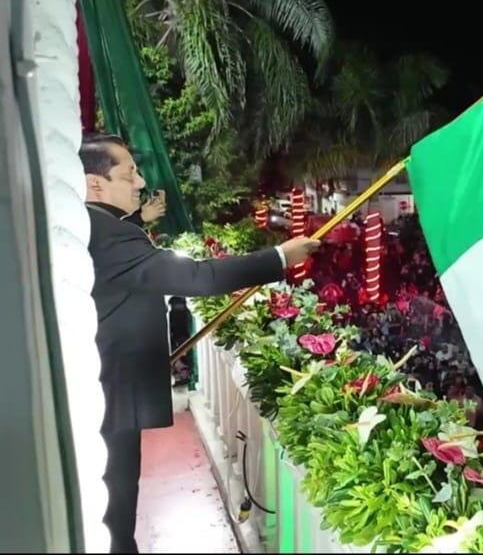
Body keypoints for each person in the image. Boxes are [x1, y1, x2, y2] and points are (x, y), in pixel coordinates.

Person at [80, 132, 320, 553]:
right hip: (110, 397)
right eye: (129, 174)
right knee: (115, 518)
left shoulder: (100, 228)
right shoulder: (107, 235)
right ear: (95, 183)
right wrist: (279, 257)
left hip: (106, 392)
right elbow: (197, 277)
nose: (139, 183)